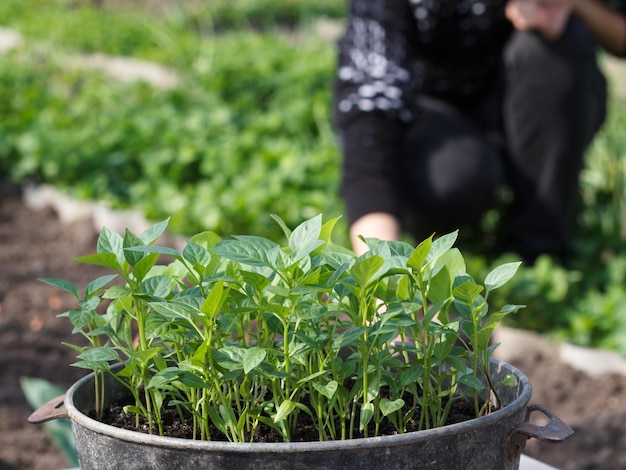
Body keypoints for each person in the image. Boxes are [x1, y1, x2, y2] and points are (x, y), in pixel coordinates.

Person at [333, 0, 626, 262]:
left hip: (522, 101)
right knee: (453, 180)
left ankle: (539, 252)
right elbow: (369, 107)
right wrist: (383, 274)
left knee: (558, 45)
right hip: (433, 116)